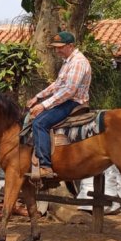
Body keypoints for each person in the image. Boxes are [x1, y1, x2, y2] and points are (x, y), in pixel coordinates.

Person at [27, 31, 92, 178]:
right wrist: (38, 97)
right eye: (56, 47)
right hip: (67, 100)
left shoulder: (78, 62)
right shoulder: (68, 62)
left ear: (70, 46)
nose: (57, 51)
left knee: (39, 123)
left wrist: (43, 105)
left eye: (60, 47)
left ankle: (45, 166)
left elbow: (69, 91)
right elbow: (57, 84)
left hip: (72, 102)